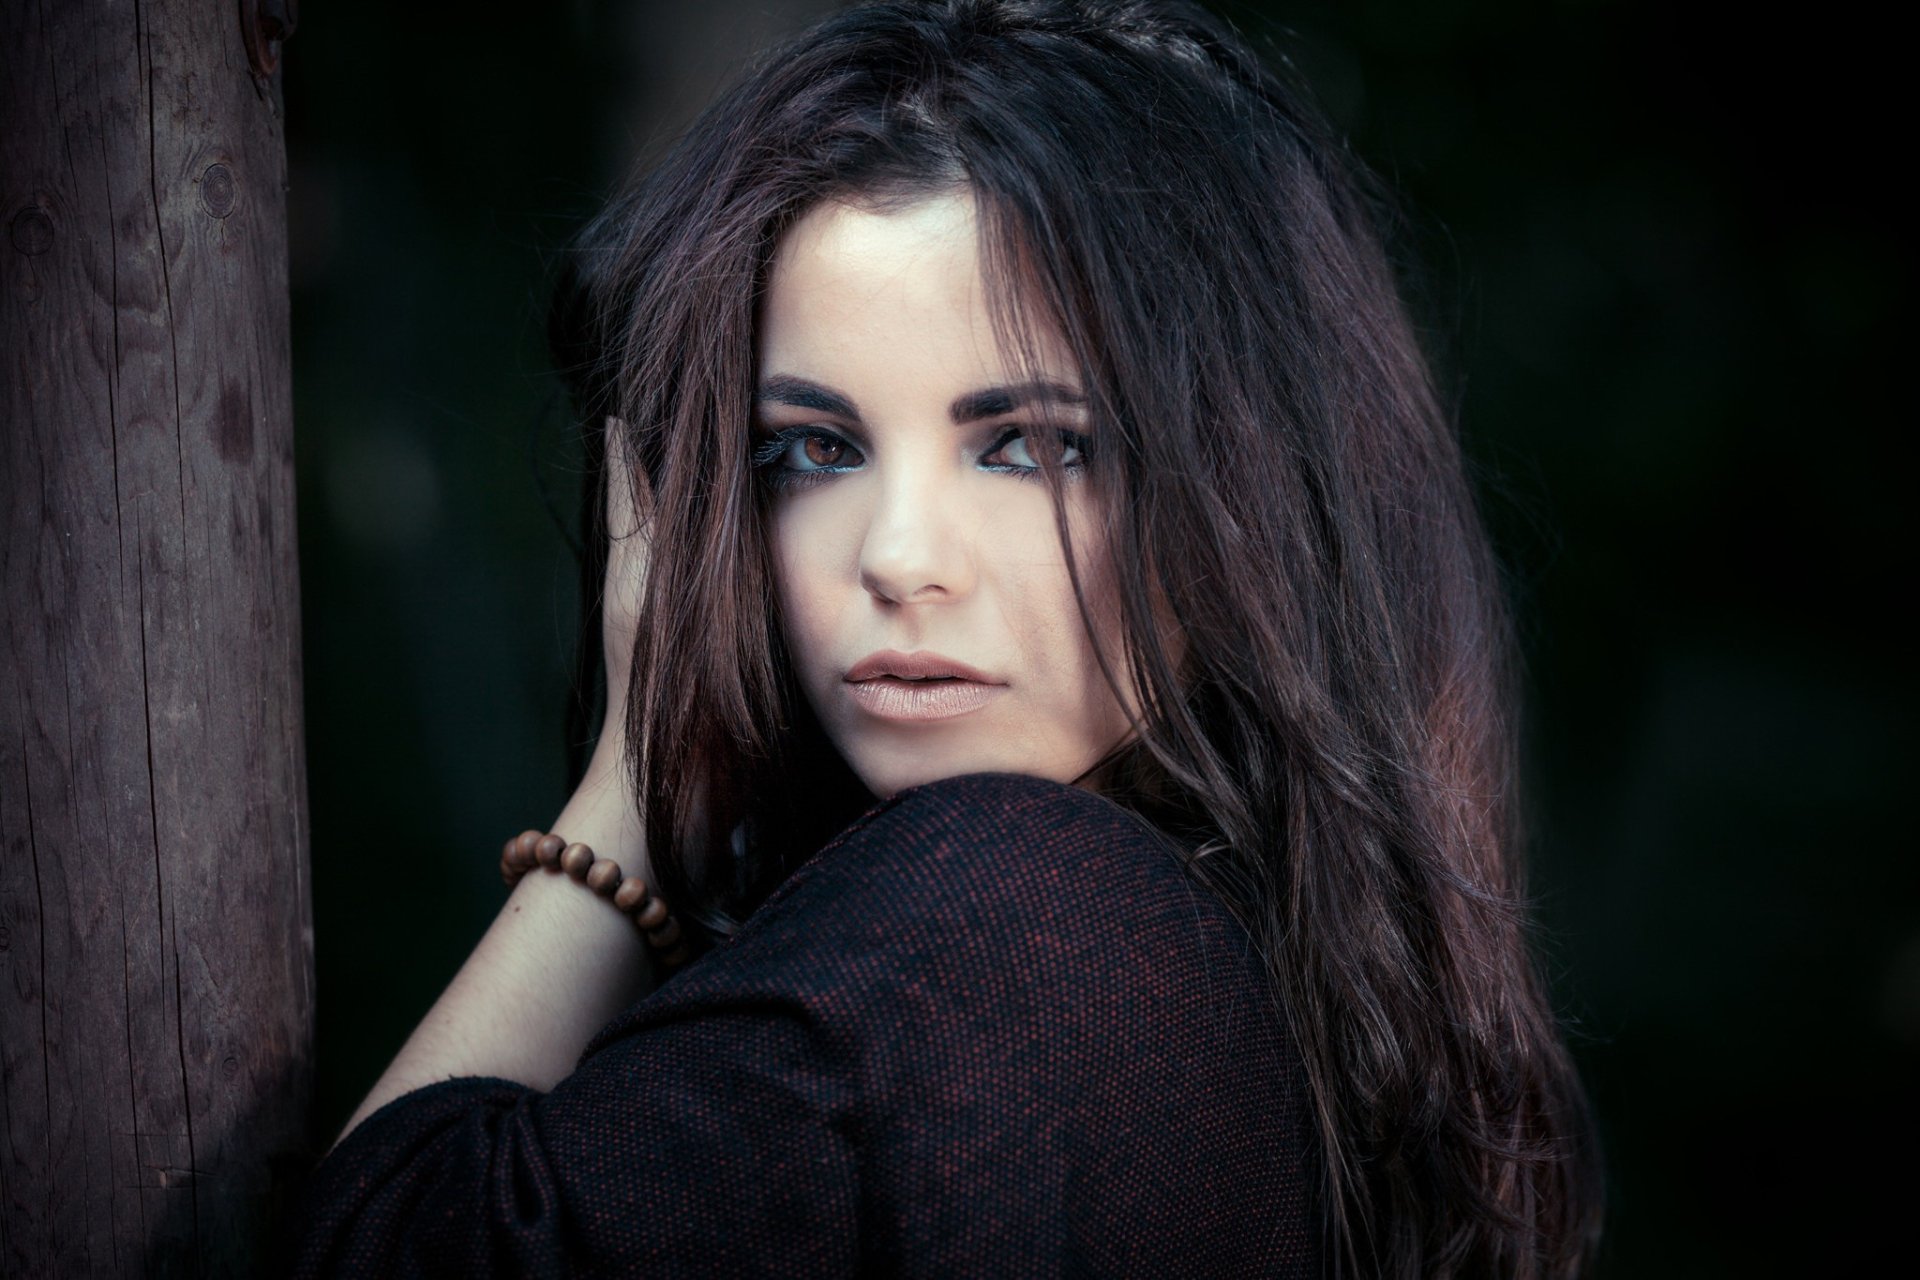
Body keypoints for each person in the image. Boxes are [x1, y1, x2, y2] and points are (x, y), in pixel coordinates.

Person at [288, 1, 1602, 1275]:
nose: (899, 557)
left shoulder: (1006, 916)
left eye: (1033, 447)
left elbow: (381, 1246)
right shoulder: (1264, 997)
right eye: (813, 449)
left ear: (1250, 485)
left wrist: (626, 800)